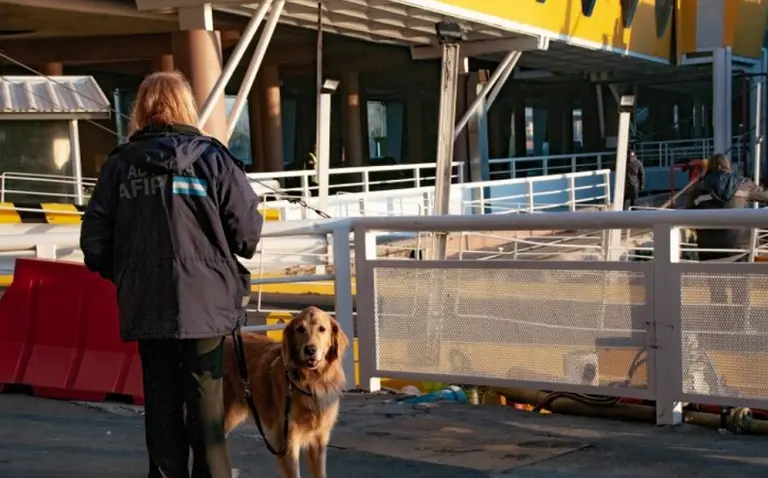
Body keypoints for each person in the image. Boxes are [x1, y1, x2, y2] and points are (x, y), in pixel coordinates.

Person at [80, 71, 263, 478]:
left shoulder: (120, 165)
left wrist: (128, 273)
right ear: (186, 107)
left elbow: (94, 243)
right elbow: (246, 235)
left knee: (161, 403)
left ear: (140, 109)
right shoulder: (213, 159)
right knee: (207, 407)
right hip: (207, 302)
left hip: (147, 301)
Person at [685, 153, 768, 331]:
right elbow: (766, 196)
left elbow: (688, 216)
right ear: (728, 166)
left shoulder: (698, 188)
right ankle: (741, 327)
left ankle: (724, 327)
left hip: (709, 248)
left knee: (717, 291)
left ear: (710, 168)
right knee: (741, 290)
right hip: (739, 247)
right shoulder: (741, 184)